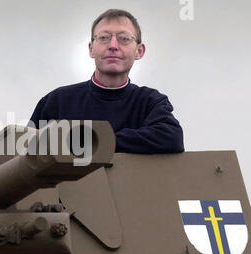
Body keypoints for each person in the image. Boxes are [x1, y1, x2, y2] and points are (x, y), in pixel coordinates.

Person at [28, 9, 184, 154]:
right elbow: (25, 152)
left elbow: (172, 138)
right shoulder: (57, 102)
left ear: (139, 51)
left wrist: (95, 141)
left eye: (124, 38)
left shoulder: (150, 101)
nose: (113, 46)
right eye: (104, 38)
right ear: (91, 49)